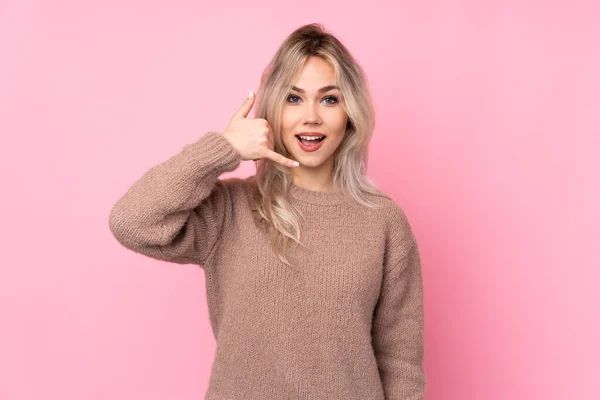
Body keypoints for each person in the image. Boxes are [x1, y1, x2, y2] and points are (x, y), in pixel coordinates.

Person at [109, 23, 426, 400]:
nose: (311, 116)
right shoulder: (230, 209)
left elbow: (401, 364)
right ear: (273, 111)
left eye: (329, 99)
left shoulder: (383, 221)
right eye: (294, 98)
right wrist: (222, 149)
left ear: (350, 113)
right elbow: (131, 221)